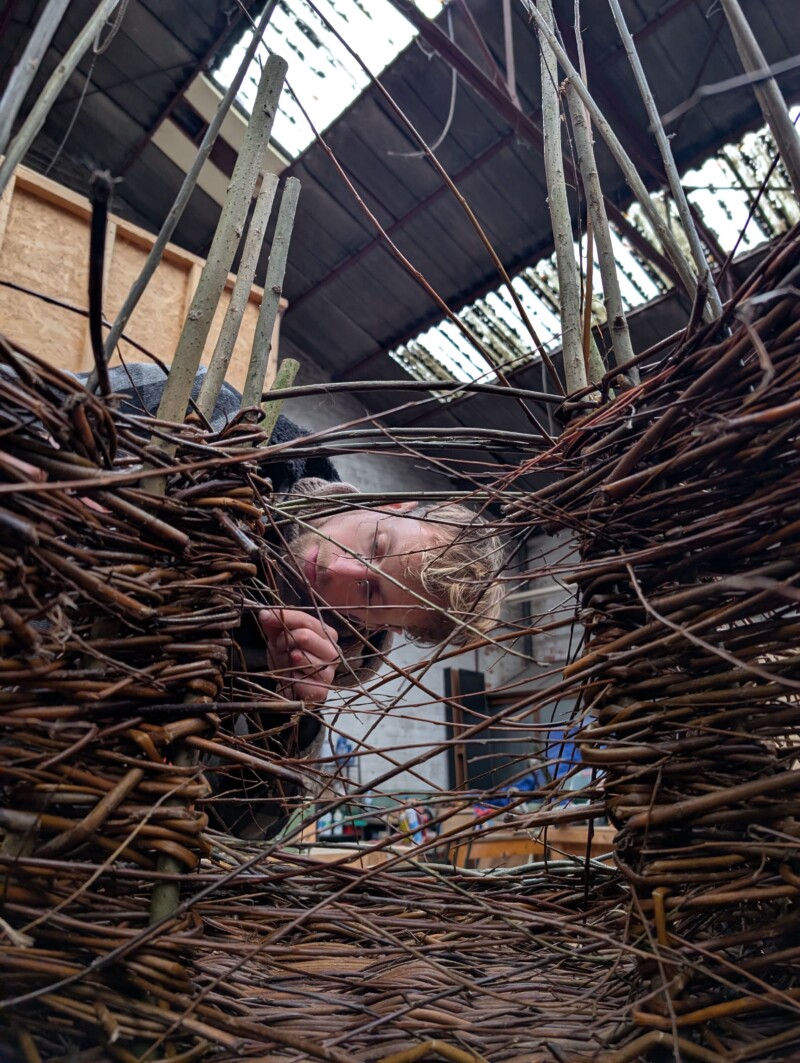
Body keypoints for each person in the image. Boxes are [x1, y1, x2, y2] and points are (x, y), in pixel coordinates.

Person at [90, 362, 506, 837]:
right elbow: (47, 403)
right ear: (392, 506)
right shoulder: (224, 423)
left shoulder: (294, 682)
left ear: (380, 626)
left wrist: (284, 718)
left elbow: (235, 834)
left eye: (370, 593)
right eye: (376, 544)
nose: (339, 569)